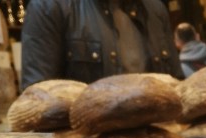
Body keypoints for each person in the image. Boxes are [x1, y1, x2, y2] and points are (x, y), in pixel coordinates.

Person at [20, 0, 183, 89]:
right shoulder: (48, 6)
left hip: (156, 135)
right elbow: (37, 103)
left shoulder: (155, 9)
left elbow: (177, 85)